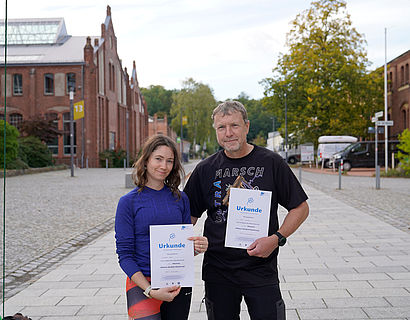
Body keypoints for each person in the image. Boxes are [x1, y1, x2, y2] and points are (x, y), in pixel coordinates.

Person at [184, 101, 309, 320]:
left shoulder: (271, 163)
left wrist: (277, 238)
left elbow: (300, 207)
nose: (228, 133)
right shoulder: (205, 169)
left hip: (261, 268)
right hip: (218, 270)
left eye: (234, 125)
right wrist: (181, 244)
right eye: (221, 127)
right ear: (215, 130)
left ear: (247, 127)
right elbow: (188, 217)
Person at [115, 134, 208, 320]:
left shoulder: (180, 199)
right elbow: (124, 255)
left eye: (169, 161)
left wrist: (196, 247)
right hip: (142, 284)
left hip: (177, 283)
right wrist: (149, 290)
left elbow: (181, 248)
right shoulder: (128, 202)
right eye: (158, 159)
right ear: (146, 159)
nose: (163, 166)